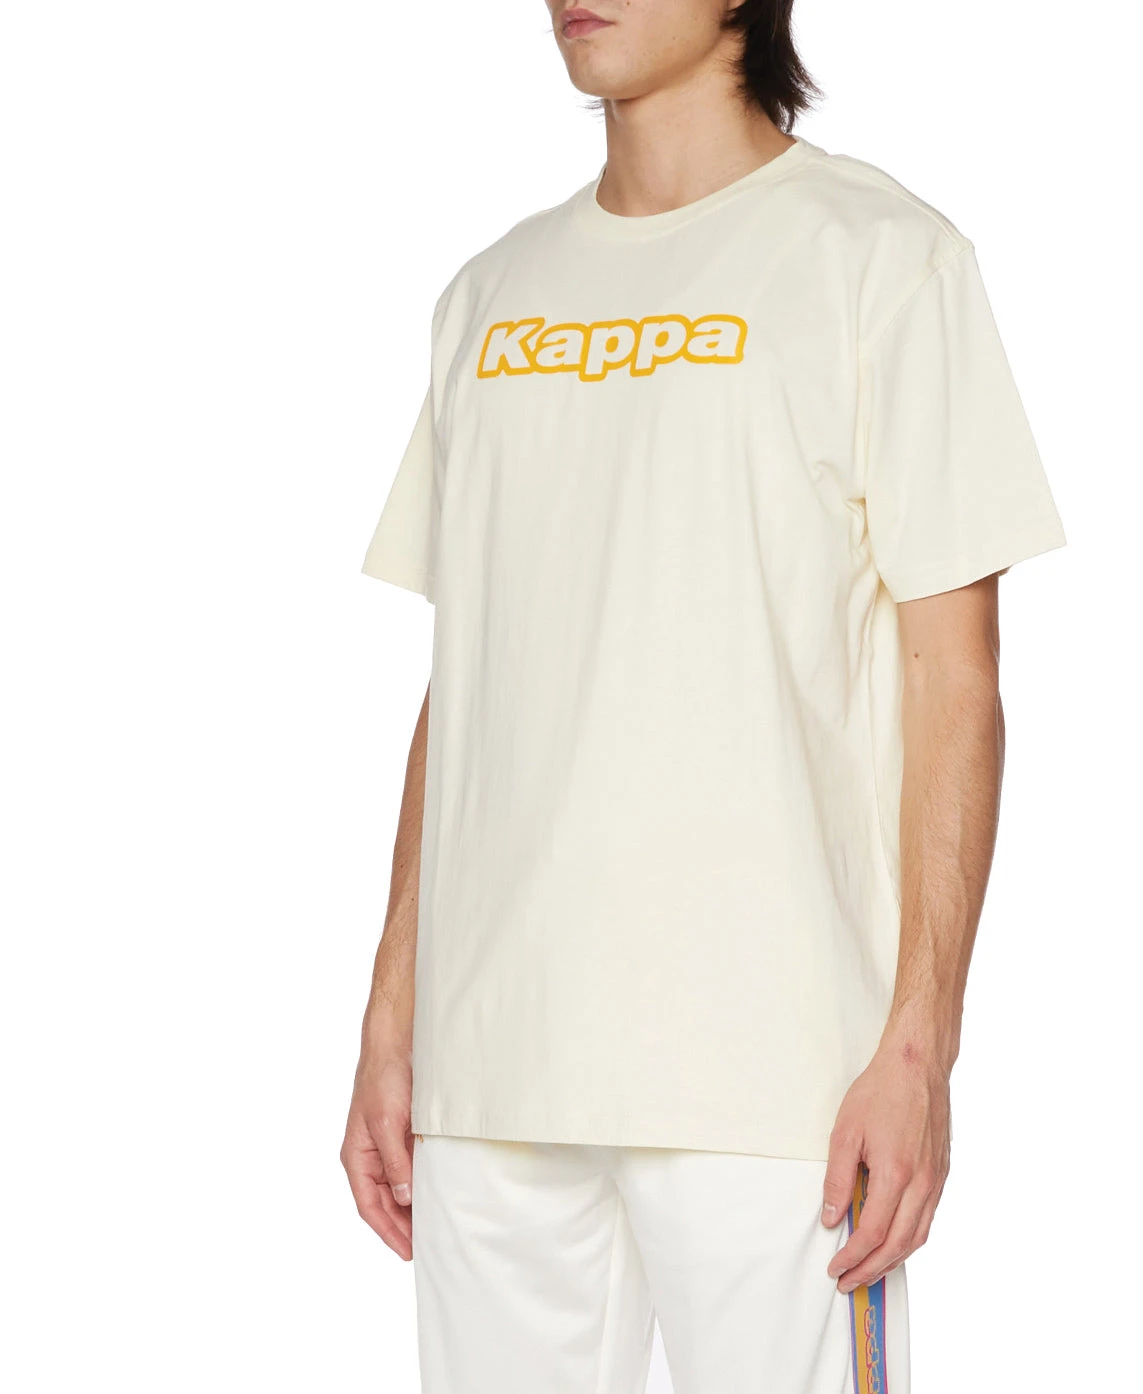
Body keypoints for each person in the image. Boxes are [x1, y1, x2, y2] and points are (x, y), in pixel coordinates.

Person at [344, 1, 1066, 1389]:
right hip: (493, 1074)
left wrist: (920, 1048)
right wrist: (393, 1014)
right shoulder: (489, 295)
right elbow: (472, 674)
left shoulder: (882, 259)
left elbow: (955, 679)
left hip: (777, 1085)